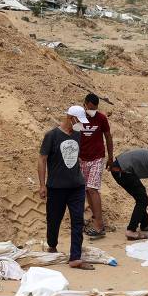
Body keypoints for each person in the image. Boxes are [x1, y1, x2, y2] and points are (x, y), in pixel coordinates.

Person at [37, 106, 93, 270]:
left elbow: (80, 156)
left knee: (78, 220)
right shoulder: (52, 136)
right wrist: (42, 185)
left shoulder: (78, 134)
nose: (80, 124)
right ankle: (52, 245)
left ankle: (75, 257)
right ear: (70, 118)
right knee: (53, 220)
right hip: (56, 187)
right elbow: (42, 159)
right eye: (77, 120)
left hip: (76, 186)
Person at [79, 93, 113, 239]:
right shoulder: (78, 118)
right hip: (82, 159)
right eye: (90, 108)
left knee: (93, 189)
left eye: (95, 108)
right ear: (85, 104)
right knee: (87, 190)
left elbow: (108, 136)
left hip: (97, 158)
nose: (92, 111)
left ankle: (99, 225)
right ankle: (95, 218)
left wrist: (111, 156)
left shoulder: (101, 118)